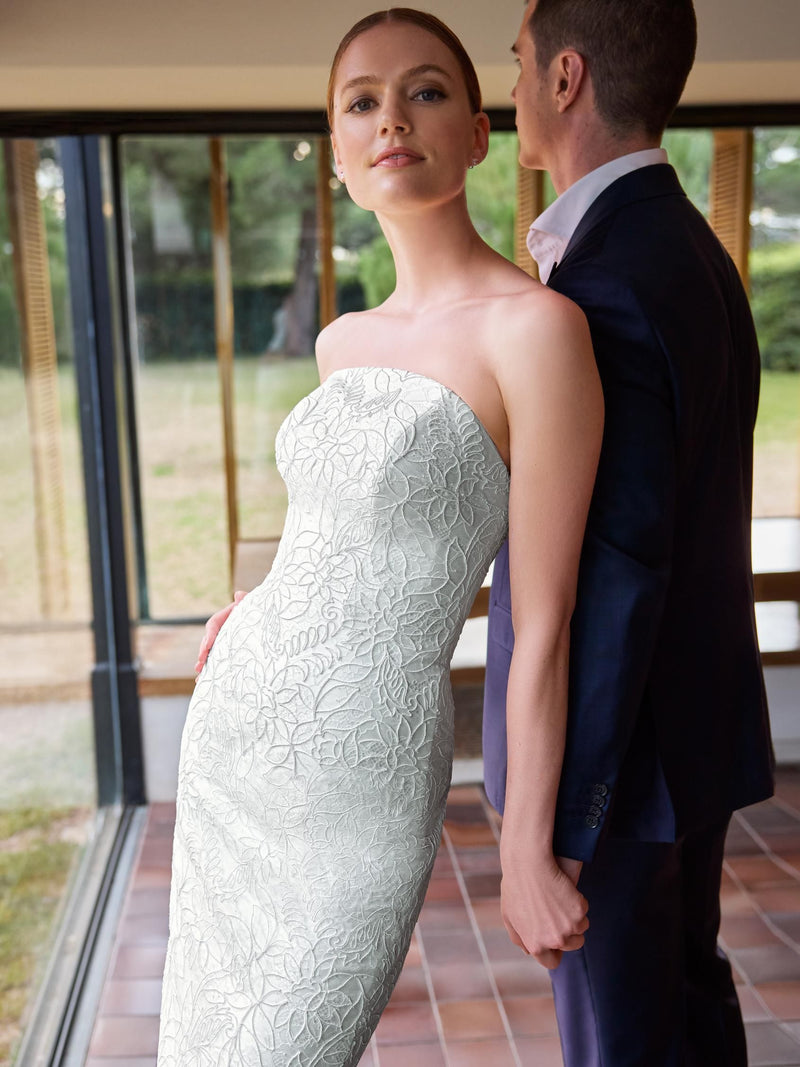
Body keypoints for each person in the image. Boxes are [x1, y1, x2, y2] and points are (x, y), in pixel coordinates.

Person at [159, 9, 603, 1065]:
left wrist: (522, 840)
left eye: (425, 91)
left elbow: (540, 618)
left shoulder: (537, 330)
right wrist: (252, 606)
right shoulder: (339, 340)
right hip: (239, 733)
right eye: (360, 102)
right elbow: (333, 523)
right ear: (337, 158)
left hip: (361, 773)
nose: (390, 118)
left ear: (478, 131)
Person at [483, 0, 776, 1063]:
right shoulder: (691, 251)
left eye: (515, 64)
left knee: (623, 1042)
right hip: (686, 742)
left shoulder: (605, 282)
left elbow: (608, 577)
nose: (504, 87)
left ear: (565, 78)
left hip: (618, 770)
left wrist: (547, 828)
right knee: (683, 1013)